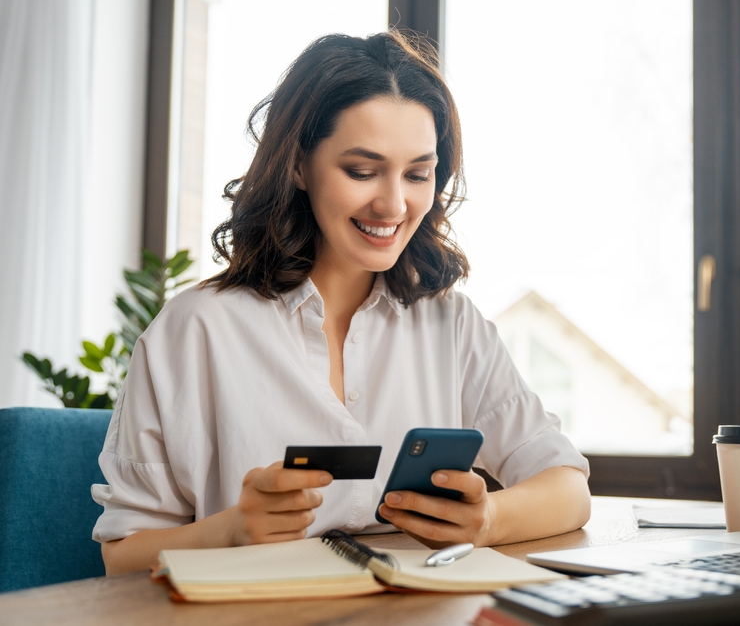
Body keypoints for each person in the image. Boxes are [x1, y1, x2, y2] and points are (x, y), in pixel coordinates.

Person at [93, 30, 591, 575]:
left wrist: (488, 518)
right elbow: (123, 555)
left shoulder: (451, 323)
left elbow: (568, 488)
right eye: (361, 171)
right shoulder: (195, 330)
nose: (394, 203)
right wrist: (232, 530)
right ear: (298, 166)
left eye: (418, 174)